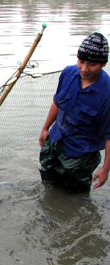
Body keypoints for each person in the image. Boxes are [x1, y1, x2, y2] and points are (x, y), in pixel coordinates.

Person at [38, 32, 110, 193]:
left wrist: (106, 168)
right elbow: (57, 102)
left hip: (81, 154)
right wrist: (45, 128)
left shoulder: (107, 94)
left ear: (103, 64)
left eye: (92, 64)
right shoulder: (68, 73)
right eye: (81, 61)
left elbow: (109, 136)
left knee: (76, 195)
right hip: (56, 140)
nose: (84, 69)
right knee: (49, 185)